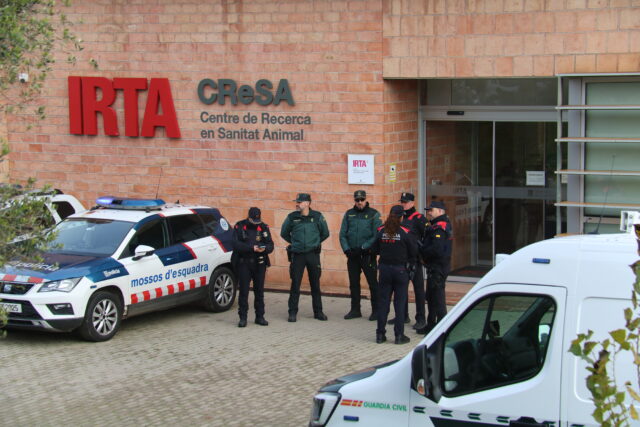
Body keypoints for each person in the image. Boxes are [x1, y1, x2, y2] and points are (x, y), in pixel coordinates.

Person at [371, 205, 417, 345]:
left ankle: (380, 335)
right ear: (402, 217)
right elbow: (413, 251)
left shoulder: (381, 230)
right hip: (400, 271)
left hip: (384, 270)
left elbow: (374, 249)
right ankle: (399, 335)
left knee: (383, 303)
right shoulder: (405, 232)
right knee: (399, 304)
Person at [280, 193, 330, 322]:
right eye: (297, 202)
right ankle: (292, 312)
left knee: (315, 284)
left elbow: (325, 233)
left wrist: (315, 242)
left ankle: (318, 312)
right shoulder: (292, 217)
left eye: (300, 202)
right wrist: (295, 242)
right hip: (298, 255)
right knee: (295, 284)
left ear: (307, 203)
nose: (297, 204)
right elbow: (284, 233)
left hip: (312, 254)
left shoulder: (317, 216)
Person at [339, 190, 382, 321]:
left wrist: (363, 247)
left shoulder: (374, 214)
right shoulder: (349, 214)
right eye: (357, 200)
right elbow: (342, 234)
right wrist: (347, 250)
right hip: (352, 255)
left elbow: (377, 235)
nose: (359, 202)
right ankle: (355, 310)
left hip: (367, 255)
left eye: (362, 200)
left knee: (373, 283)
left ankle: (376, 311)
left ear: (365, 199)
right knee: (353, 284)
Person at [388, 192, 428, 330]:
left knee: (418, 290)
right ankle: (402, 315)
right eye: (402, 202)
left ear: (412, 203)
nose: (403, 204)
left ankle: (421, 319)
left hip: (414, 260)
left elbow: (426, 237)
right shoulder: (400, 217)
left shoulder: (419, 219)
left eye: (405, 202)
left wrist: (421, 254)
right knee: (401, 290)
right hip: (401, 260)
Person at [231, 207, 274, 328]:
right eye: (254, 221)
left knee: (259, 291)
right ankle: (243, 318)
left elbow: (270, 245)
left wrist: (264, 249)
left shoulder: (264, 227)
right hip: (244, 263)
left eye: (258, 220)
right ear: (249, 217)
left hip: (259, 263)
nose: (256, 223)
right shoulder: (239, 226)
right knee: (244, 291)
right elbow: (235, 244)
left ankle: (260, 317)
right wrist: (252, 248)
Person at [417, 200, 453, 335]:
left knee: (438, 299)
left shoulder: (440, 227)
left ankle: (443, 329)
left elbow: (436, 249)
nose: (429, 213)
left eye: (431, 210)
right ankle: (431, 324)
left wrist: (423, 251)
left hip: (438, 267)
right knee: (431, 297)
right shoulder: (437, 225)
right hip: (435, 266)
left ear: (439, 211)